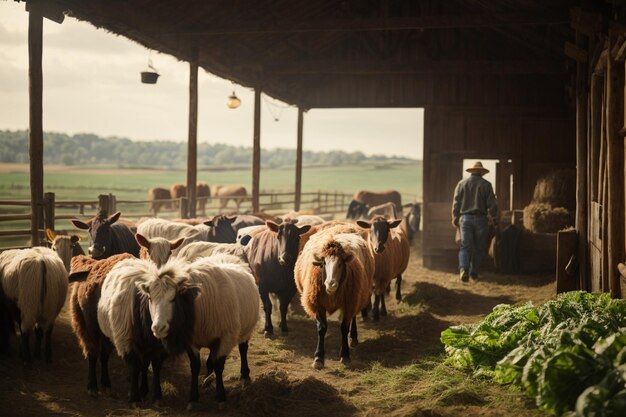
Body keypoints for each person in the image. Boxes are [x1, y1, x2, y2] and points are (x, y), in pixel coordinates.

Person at [451, 161, 498, 282]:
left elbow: (456, 202)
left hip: (465, 219)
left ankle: (463, 270)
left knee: (465, 246)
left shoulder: (461, 183)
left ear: (471, 171)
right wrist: (494, 218)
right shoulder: (486, 185)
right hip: (481, 220)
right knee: (478, 247)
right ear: (481, 172)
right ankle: (474, 274)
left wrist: (455, 216)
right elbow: (492, 205)